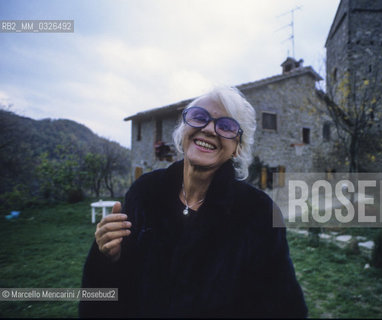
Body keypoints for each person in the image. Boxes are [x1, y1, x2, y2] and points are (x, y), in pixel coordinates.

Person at [79, 86, 308, 318]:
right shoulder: (145, 192)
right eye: (199, 117)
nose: (208, 129)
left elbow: (285, 307)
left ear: (237, 148)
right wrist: (108, 257)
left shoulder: (260, 213)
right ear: (184, 129)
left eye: (226, 126)